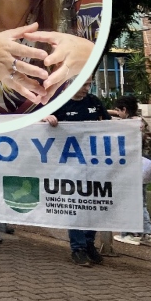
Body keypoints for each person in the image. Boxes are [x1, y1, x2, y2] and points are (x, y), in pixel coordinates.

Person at [43, 81, 110, 264]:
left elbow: (109, 126)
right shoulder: (59, 103)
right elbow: (35, 121)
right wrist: (45, 118)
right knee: (75, 204)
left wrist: (131, 126)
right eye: (84, 85)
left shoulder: (94, 102)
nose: (87, 89)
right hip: (69, 164)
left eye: (90, 84)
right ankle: (78, 248)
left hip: (94, 162)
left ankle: (89, 243)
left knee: (93, 204)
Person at [109, 96, 151, 246]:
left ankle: (135, 233)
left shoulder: (130, 125)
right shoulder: (138, 120)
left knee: (132, 197)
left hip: (141, 161)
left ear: (124, 110)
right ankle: (148, 232)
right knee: (140, 197)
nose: (117, 114)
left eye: (118, 111)